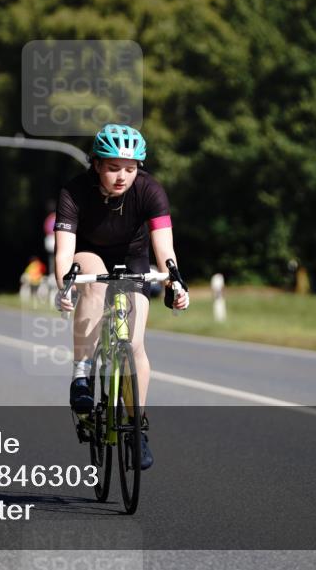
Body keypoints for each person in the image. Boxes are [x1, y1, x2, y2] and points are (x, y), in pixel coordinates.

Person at [54, 124, 189, 470]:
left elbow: (165, 248)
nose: (121, 177)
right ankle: (81, 376)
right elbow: (64, 251)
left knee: (137, 343)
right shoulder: (74, 191)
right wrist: (64, 285)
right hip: (87, 253)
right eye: (113, 167)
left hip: (134, 257)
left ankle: (137, 428)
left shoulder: (150, 190)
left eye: (130, 169)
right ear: (96, 164)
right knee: (95, 284)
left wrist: (175, 283)